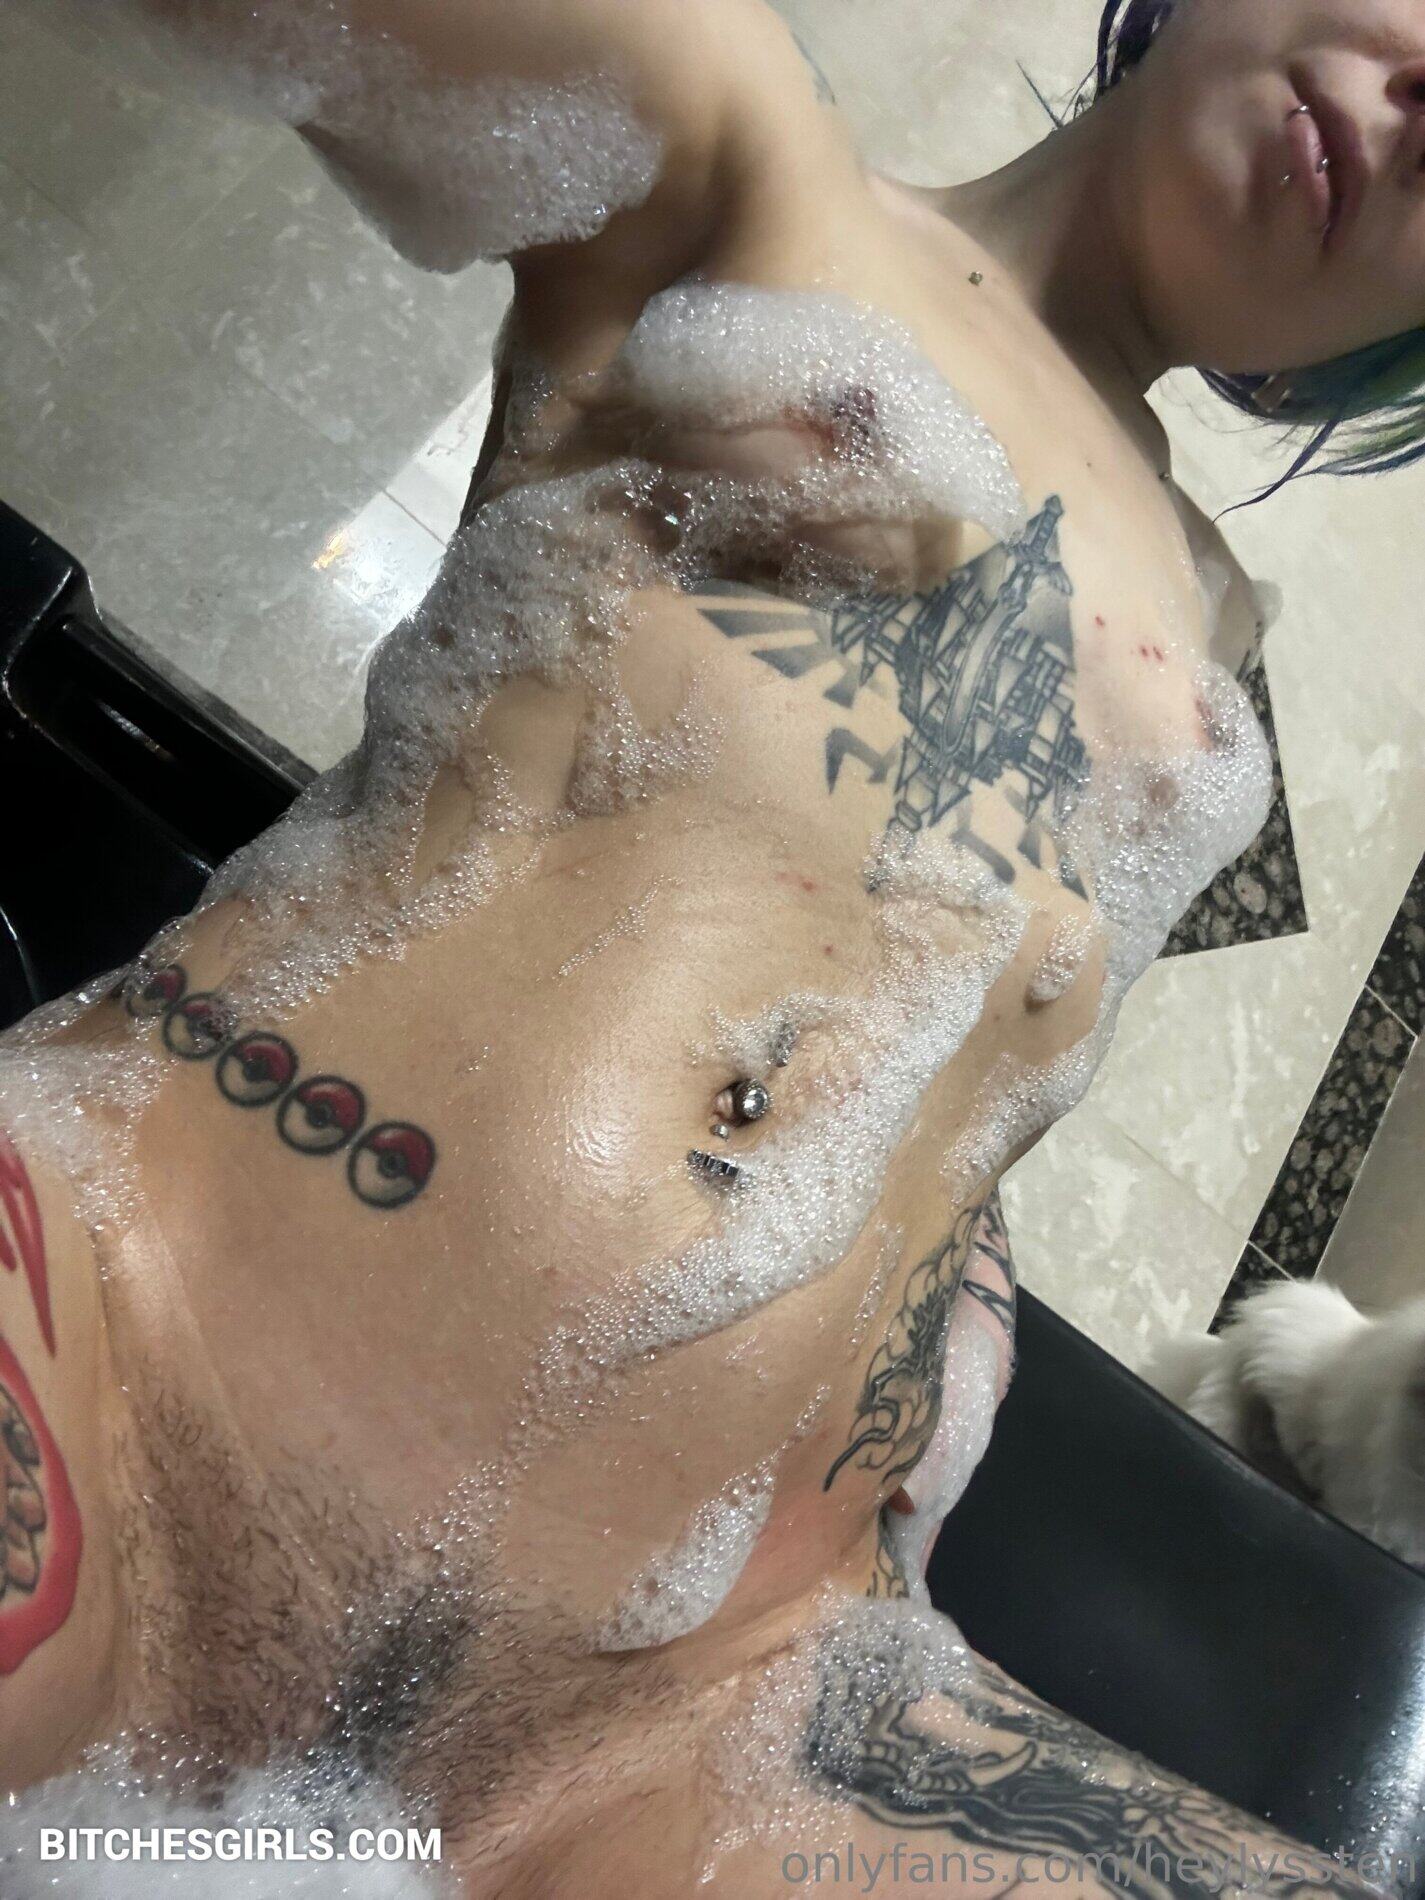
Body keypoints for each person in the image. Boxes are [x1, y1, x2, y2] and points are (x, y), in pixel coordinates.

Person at [0, 0, 1414, 1890]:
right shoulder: (744, 156)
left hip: (695, 1703)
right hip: (128, 1357)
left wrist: (920, 1354)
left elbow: (920, 1049)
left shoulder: (1212, 643)